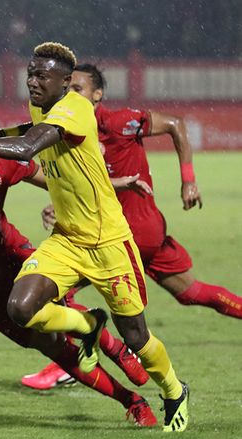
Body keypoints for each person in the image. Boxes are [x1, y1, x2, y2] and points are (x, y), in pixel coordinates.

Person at [0, 42, 189, 432]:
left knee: (137, 337)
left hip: (108, 242)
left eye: (41, 75)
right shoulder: (39, 108)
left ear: (65, 82)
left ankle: (174, 390)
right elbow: (23, 134)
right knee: (23, 308)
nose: (31, 80)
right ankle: (88, 327)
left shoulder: (74, 108)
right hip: (66, 240)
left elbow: (28, 147)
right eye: (30, 73)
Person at [21, 63, 242, 391]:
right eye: (68, 90)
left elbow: (176, 123)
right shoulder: (69, 130)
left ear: (98, 95)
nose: (71, 96)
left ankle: (66, 364)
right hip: (140, 232)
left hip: (123, 235)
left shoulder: (117, 122)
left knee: (49, 295)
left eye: (78, 90)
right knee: (190, 292)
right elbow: (87, 182)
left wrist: (189, 181)